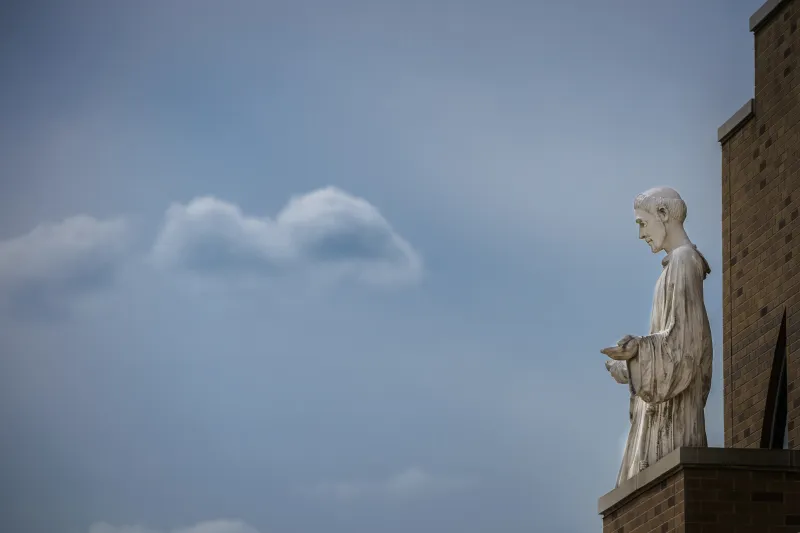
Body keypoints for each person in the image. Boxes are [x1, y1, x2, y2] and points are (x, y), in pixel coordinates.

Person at [601, 187, 712, 487]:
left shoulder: (684, 262)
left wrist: (638, 351)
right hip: (662, 410)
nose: (641, 235)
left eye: (642, 223)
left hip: (672, 419)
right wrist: (628, 366)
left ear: (663, 214)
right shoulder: (672, 268)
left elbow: (684, 344)